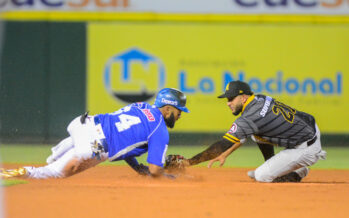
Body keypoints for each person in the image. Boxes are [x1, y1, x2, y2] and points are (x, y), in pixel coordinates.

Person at [0, 88, 189, 179]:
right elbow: (155, 169)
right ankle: (15, 173)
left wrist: (137, 167)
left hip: (83, 124)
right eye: (178, 111)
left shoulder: (141, 106)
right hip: (96, 144)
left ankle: (54, 156)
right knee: (55, 173)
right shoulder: (160, 130)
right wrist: (168, 175)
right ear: (167, 109)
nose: (180, 115)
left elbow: (125, 139)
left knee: (55, 160)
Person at [179, 80, 326, 182]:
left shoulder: (250, 117)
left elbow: (222, 144)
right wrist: (227, 153)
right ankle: (275, 165)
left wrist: (189, 162)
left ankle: (297, 173)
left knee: (261, 176)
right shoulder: (259, 98)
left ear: (243, 98)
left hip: (306, 148)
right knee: (257, 135)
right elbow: (242, 135)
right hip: (310, 128)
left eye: (231, 99)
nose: (228, 103)